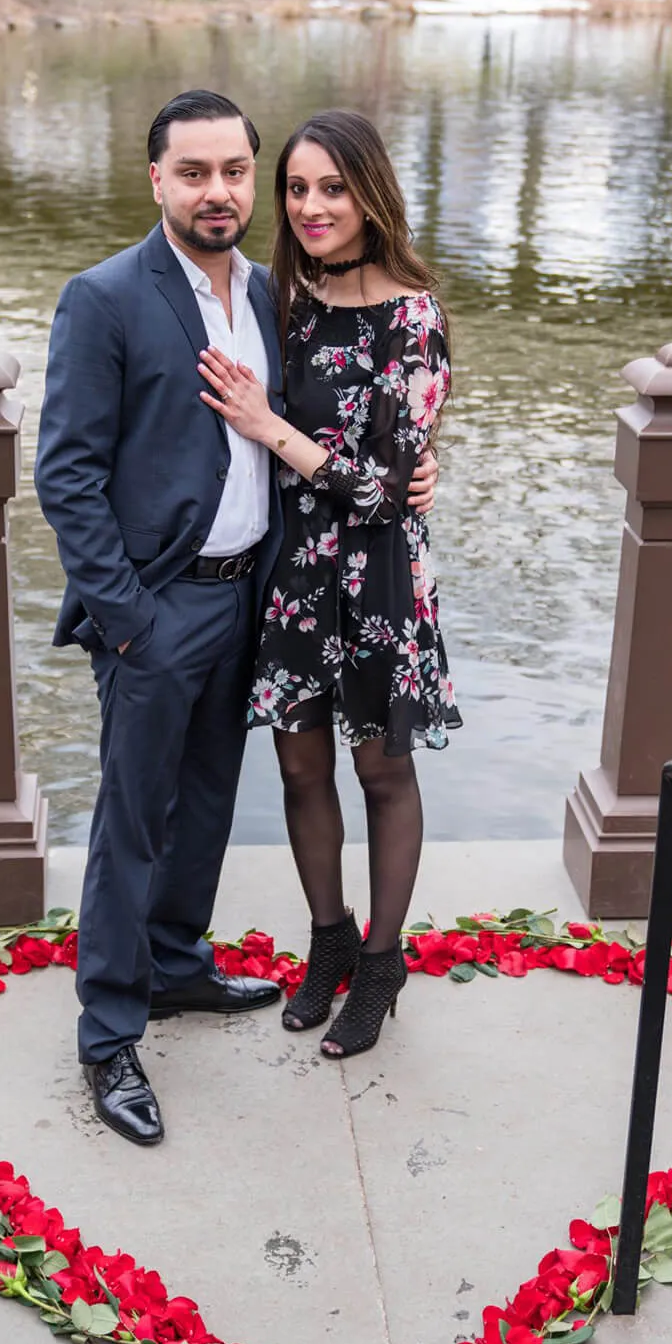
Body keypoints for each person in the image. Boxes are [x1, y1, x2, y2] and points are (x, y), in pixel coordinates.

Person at [35, 91, 437, 1146]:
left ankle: (175, 966)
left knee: (207, 799)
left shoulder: (273, 296)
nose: (220, 192)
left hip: (257, 595)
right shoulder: (106, 297)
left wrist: (413, 472)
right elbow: (67, 476)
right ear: (156, 180)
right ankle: (110, 1034)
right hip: (157, 607)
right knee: (131, 820)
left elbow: (347, 417)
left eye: (234, 173)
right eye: (195, 171)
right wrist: (127, 618)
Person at [196, 110, 460, 1060]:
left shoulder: (414, 315)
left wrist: (274, 430)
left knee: (381, 770)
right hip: (297, 573)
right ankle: (330, 937)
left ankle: (382, 962)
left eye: (333, 188)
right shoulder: (284, 299)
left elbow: (388, 492)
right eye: (298, 189)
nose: (312, 207)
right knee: (299, 766)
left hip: (378, 579)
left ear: (371, 192)